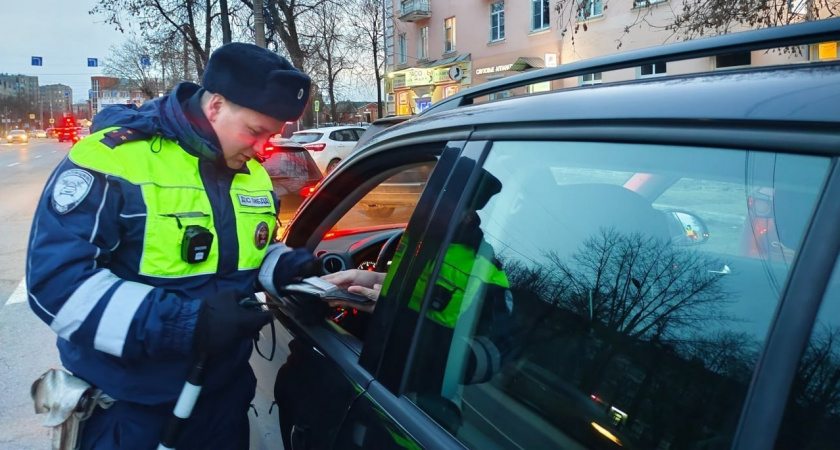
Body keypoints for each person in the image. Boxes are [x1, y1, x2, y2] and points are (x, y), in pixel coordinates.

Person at [26, 42, 314, 449]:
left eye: (272, 135)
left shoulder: (248, 172)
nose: (262, 148)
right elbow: (58, 288)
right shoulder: (113, 160)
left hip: (222, 406)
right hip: (131, 415)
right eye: (255, 131)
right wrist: (186, 323)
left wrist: (290, 269)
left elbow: (246, 254)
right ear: (215, 106)